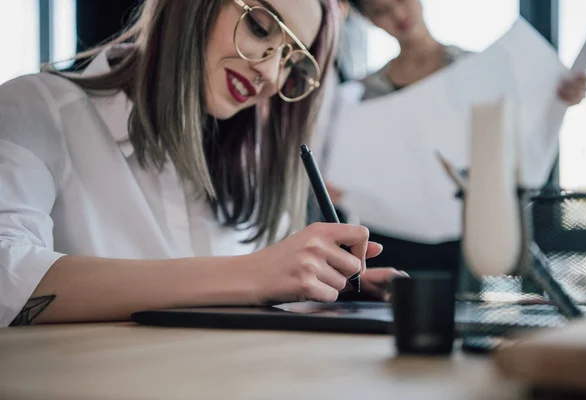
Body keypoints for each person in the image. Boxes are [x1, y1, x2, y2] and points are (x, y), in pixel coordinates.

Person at [0, 0, 406, 328]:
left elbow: (267, 281)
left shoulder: (247, 166)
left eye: (290, 62)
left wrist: (313, 286)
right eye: (260, 27)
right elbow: (7, 279)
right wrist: (252, 275)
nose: (268, 71)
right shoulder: (36, 108)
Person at [326, 0, 586, 272]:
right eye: (381, 11)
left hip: (470, 230)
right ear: (369, 20)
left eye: (401, 0)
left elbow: (517, 130)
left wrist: (557, 98)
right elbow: (361, 162)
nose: (398, 15)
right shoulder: (364, 95)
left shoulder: (480, 71)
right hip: (393, 234)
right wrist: (344, 188)